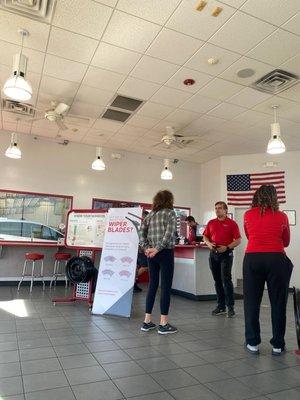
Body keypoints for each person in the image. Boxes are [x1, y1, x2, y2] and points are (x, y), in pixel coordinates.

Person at [243, 185, 292, 356]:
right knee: (278, 303)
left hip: (252, 259)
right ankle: (278, 345)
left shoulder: (247, 214)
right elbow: (286, 242)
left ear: (256, 196)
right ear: (274, 198)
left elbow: (249, 235)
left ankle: (252, 343)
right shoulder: (282, 216)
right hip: (276, 259)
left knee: (251, 302)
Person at [139, 190, 178, 334]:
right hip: (165, 253)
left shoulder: (150, 215)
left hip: (152, 255)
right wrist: (158, 248)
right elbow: (169, 234)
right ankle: (163, 323)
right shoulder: (170, 213)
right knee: (166, 287)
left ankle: (147, 321)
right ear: (169, 200)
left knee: (152, 285)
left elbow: (141, 232)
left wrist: (147, 248)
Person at [203, 201, 241, 318]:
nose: (217, 210)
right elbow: (205, 236)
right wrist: (209, 244)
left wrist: (227, 247)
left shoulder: (232, 224)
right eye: (216, 208)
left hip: (226, 254)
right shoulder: (211, 223)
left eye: (220, 208)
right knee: (217, 281)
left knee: (226, 280)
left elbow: (238, 240)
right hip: (213, 254)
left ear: (225, 210)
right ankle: (221, 306)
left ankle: (230, 307)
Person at [134, 210, 149, 293]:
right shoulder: (141, 225)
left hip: (139, 248)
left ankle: (134, 284)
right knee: (145, 266)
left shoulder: (140, 225)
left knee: (138, 267)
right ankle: (132, 281)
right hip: (141, 249)